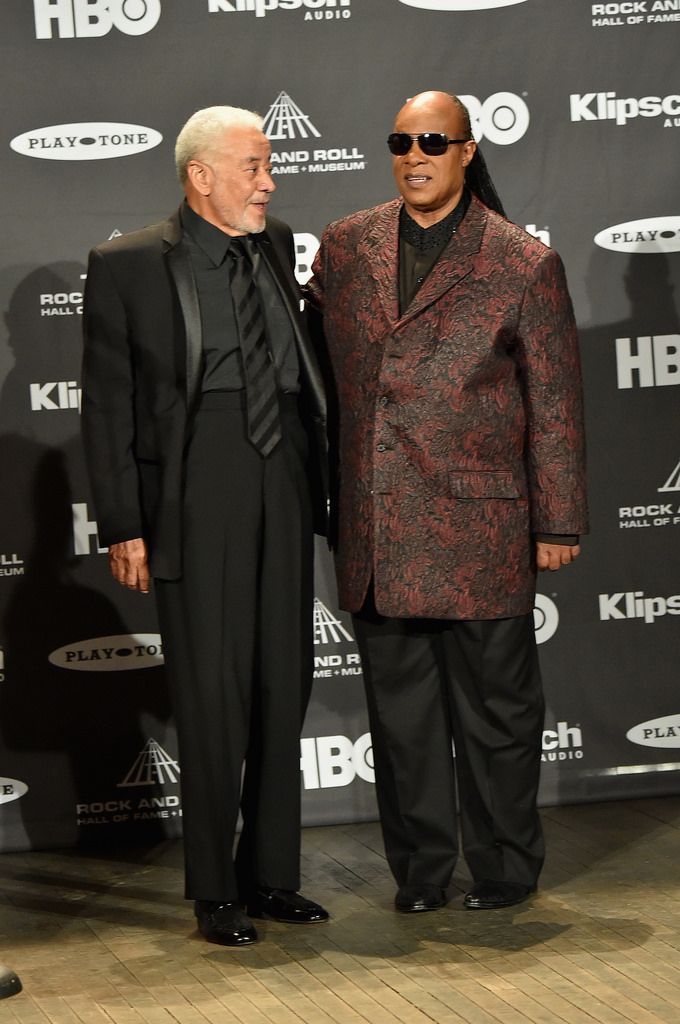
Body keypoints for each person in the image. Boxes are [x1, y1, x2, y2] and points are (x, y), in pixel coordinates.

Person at [305, 91, 588, 913]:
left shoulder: (520, 259)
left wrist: (559, 518)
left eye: (433, 139)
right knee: (402, 726)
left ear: (467, 150)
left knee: (498, 715)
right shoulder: (347, 246)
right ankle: (421, 874)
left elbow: (558, 402)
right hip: (380, 522)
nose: (415, 153)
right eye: (401, 140)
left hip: (483, 528)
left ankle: (503, 867)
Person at [82, 106, 329, 946]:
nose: (269, 182)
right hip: (197, 487)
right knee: (215, 696)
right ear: (201, 176)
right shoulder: (128, 266)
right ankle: (215, 888)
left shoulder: (277, 241)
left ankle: (271, 876)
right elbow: (108, 404)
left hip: (285, 473)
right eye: (254, 167)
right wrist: (125, 523)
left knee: (281, 684)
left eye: (269, 167)